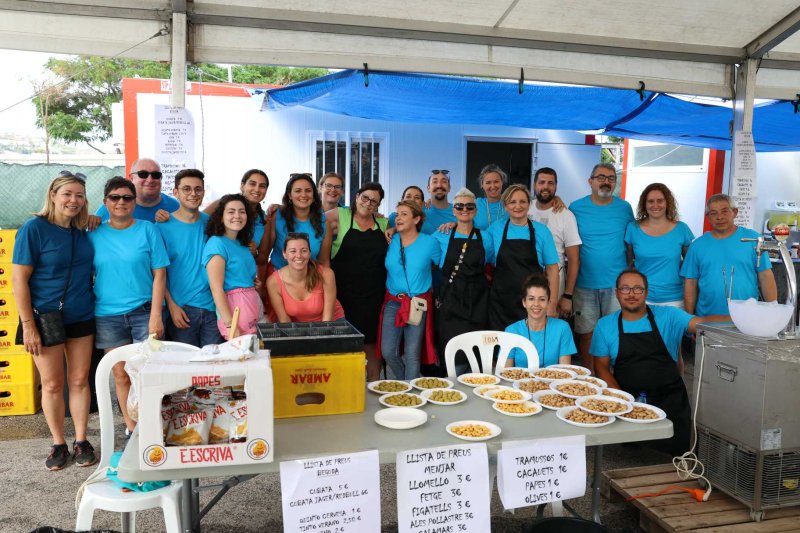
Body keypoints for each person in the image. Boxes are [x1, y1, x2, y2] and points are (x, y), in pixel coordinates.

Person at [592, 269, 729, 455]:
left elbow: (702, 323)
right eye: (625, 289)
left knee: (680, 452)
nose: (631, 294)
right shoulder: (605, 325)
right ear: (617, 293)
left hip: (670, 401)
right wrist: (622, 402)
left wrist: (740, 318)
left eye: (637, 289)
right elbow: (601, 367)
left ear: (646, 293)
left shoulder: (669, 316)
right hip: (631, 404)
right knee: (632, 456)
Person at [12, 171, 96, 470]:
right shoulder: (33, 229)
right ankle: (59, 443)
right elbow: (19, 280)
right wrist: (28, 325)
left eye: (79, 195)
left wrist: (93, 222)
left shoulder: (83, 231)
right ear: (53, 195)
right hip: (43, 318)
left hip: (81, 315)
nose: (73, 200)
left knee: (78, 380)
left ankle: (82, 440)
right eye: (67, 194)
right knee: (51, 383)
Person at [89, 176, 168, 436]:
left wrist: (156, 314)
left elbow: (159, 273)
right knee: (121, 375)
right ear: (105, 202)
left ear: (134, 202)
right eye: (115, 197)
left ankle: (152, 426)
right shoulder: (93, 232)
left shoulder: (147, 229)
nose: (121, 202)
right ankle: (133, 428)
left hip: (144, 312)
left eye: (127, 198)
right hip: (107, 315)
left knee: (150, 373)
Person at [569, 163, 634, 371]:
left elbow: (631, 242)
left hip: (617, 284)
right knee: (587, 333)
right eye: (601, 177)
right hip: (584, 282)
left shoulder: (624, 208)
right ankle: (591, 378)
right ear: (590, 181)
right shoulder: (575, 207)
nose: (606, 181)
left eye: (611, 178)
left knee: (613, 333)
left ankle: (610, 377)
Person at [325, 182, 388, 381]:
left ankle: (375, 386)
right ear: (357, 196)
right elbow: (311, 218)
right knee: (345, 344)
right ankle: (347, 389)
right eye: (365, 198)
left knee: (371, 344)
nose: (368, 204)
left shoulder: (384, 224)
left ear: (378, 205)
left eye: (374, 202)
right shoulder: (340, 215)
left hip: (374, 295)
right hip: (343, 295)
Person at [156, 169, 223, 347]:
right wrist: (171, 305)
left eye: (198, 189)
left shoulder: (212, 224)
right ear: (175, 192)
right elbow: (157, 273)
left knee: (214, 369)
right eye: (186, 189)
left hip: (213, 308)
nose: (193, 194)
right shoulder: (161, 227)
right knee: (186, 370)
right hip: (181, 311)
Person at [681, 193, 776, 316]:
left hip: (747, 317)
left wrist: (773, 311)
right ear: (708, 217)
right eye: (713, 213)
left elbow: (766, 277)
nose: (719, 217)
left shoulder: (753, 239)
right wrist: (689, 320)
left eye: (724, 211)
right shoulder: (697, 246)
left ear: (735, 212)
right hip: (707, 320)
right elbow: (690, 284)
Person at [378, 200, 442, 380]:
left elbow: (440, 265)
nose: (398, 218)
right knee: (388, 351)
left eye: (404, 214)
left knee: (412, 354)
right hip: (392, 302)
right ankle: (402, 384)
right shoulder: (391, 239)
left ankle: (410, 395)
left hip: (417, 304)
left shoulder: (430, 243)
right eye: (397, 214)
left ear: (416, 219)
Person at [485, 184, 560, 330]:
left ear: (529, 204)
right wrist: (453, 226)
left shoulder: (542, 231)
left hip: (533, 304)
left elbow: (552, 269)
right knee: (502, 349)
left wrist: (551, 304)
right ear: (505, 206)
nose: (517, 206)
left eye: (522, 201)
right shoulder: (495, 229)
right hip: (500, 304)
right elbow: (478, 252)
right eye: (512, 202)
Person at [432, 187, 493, 361]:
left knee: (476, 352)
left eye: (469, 206)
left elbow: (489, 260)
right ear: (453, 210)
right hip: (451, 299)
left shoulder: (486, 237)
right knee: (451, 352)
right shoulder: (441, 234)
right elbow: (420, 245)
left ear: (476, 210)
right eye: (459, 206)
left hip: (478, 301)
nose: (464, 210)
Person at [203, 194, 263, 339]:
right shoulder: (217, 243)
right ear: (221, 217)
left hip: (252, 308)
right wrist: (230, 325)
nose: (237, 215)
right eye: (231, 211)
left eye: (242, 211)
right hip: (235, 314)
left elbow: (242, 276)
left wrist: (253, 283)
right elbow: (216, 288)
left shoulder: (243, 244)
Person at [625, 183, 694, 308]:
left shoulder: (681, 229)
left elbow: (691, 266)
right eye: (650, 201)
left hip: (674, 300)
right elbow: (629, 264)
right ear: (644, 204)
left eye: (660, 201)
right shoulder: (633, 229)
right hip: (641, 299)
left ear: (667, 202)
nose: (655, 205)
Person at [528, 167, 582, 318]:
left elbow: (574, 259)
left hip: (554, 277)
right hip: (526, 273)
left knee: (549, 324)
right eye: (542, 182)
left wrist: (568, 296)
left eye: (550, 183)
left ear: (556, 186)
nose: (545, 187)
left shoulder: (566, 216)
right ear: (534, 185)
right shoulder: (525, 208)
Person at [267, 233, 345, 323]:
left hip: (331, 324)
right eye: (293, 251)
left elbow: (327, 320)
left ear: (309, 253)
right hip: (299, 328)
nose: (299, 255)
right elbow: (284, 320)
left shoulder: (327, 274)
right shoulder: (273, 282)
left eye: (304, 251)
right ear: (284, 254)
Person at [505, 275, 576, 367]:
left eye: (542, 299)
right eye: (531, 299)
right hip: (519, 381)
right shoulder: (511, 331)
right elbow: (506, 372)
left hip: (553, 381)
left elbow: (566, 370)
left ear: (548, 303)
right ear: (524, 302)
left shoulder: (562, 328)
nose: (536, 304)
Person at [270, 173, 330, 269]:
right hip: (277, 277)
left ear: (314, 195)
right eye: (298, 191)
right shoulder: (276, 217)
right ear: (290, 195)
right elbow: (263, 256)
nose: (303, 195)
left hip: (310, 278)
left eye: (308, 191)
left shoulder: (323, 222)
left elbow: (324, 262)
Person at [95, 158, 178, 222]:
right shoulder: (111, 208)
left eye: (155, 175)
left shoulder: (176, 207)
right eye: (143, 174)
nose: (150, 180)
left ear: (161, 178)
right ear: (131, 178)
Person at [474, 164, 508, 230]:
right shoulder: (475, 204)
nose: (493, 186)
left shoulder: (511, 203)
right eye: (488, 183)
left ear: (502, 182)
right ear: (482, 185)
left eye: (496, 181)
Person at [422, 169, 456, 234]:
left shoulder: (460, 211)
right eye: (435, 182)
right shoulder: (420, 211)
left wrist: (458, 226)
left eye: (444, 182)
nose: (439, 185)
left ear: (449, 188)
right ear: (428, 188)